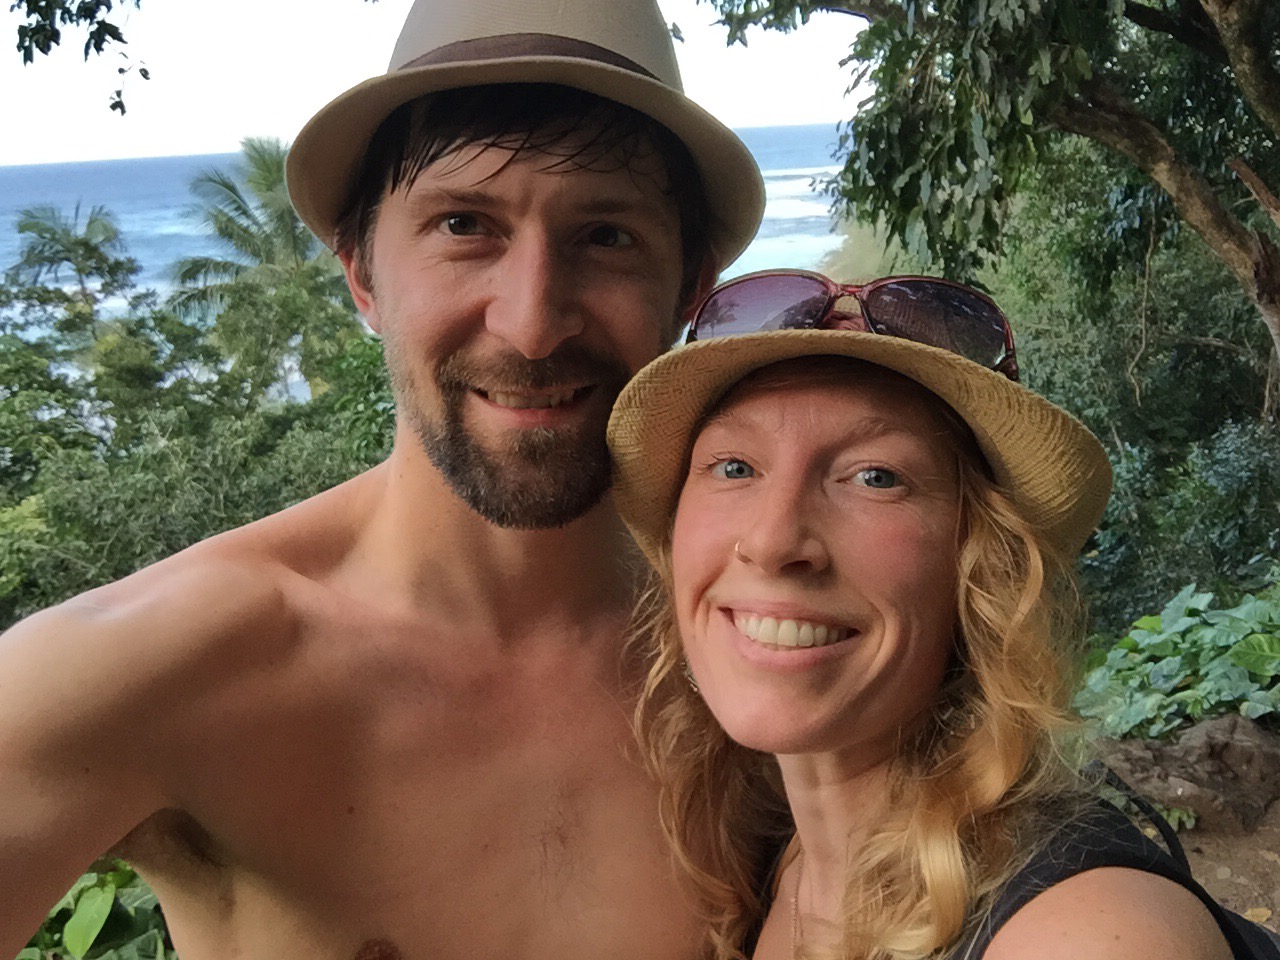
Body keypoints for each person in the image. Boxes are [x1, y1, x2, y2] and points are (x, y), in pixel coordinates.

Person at [0, 1, 764, 958]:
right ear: (361, 273)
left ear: (690, 286)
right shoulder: (156, 668)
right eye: (463, 225)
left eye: (606, 235)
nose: (532, 323)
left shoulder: (769, 653)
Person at [606, 269, 1249, 959]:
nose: (771, 542)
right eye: (734, 467)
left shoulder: (1088, 932)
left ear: (981, 567)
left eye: (877, 476)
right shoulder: (761, 856)